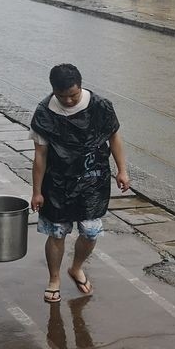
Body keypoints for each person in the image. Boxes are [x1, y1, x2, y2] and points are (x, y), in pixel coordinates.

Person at [30, 64, 129, 303]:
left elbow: (114, 137)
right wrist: (36, 192)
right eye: (62, 96)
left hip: (92, 178)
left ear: (80, 86)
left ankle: (76, 267)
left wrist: (122, 171)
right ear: (53, 90)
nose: (68, 101)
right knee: (56, 232)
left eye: (73, 95)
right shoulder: (44, 113)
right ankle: (54, 278)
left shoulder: (100, 107)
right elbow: (40, 156)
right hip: (57, 183)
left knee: (91, 231)